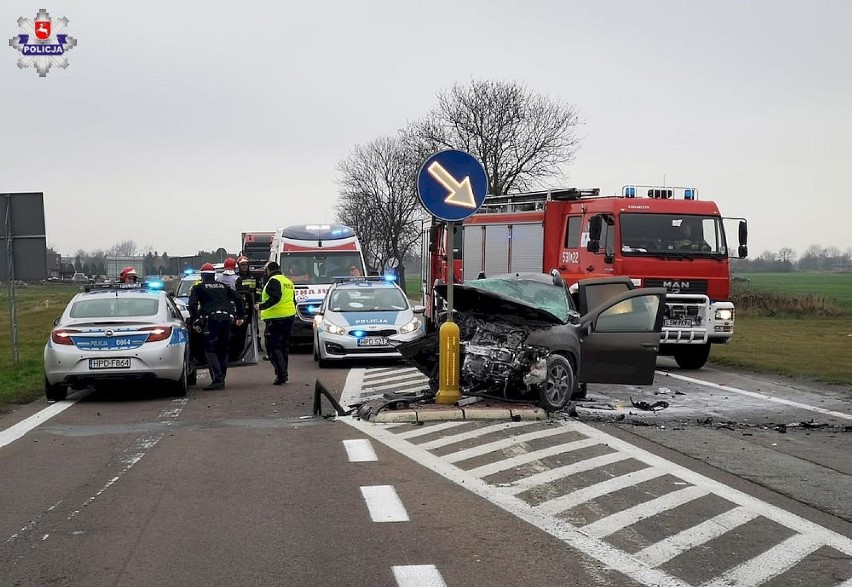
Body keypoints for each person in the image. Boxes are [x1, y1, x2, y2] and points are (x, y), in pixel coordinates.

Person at [188, 263, 245, 391]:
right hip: (227, 319)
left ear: (202, 276)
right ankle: (221, 378)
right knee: (223, 348)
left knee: (210, 348)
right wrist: (240, 316)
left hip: (212, 319)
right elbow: (239, 298)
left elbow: (192, 305)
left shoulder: (199, 287)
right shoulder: (223, 286)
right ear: (214, 275)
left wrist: (196, 320)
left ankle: (218, 380)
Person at [255, 261, 295, 385]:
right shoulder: (287, 281)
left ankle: (281, 374)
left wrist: (261, 306)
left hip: (276, 318)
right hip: (289, 316)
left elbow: (275, 297)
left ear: (268, 270)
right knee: (283, 346)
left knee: (273, 347)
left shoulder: (273, 281)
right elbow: (293, 299)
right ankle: (283, 372)